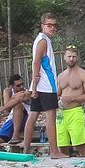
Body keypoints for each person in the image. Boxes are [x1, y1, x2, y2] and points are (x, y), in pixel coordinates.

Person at [22, 13, 65, 157]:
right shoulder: (43, 41)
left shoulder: (42, 39)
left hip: (40, 84)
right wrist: (34, 88)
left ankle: (25, 149)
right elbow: (36, 62)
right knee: (50, 115)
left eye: (54, 25)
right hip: (46, 85)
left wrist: (34, 86)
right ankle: (54, 151)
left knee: (33, 114)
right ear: (43, 26)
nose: (52, 28)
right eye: (49, 25)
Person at [54, 45, 85, 157]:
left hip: (75, 112)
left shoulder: (83, 74)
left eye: (74, 56)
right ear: (64, 57)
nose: (71, 59)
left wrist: (72, 98)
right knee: (62, 145)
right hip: (61, 113)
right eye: (69, 56)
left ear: (77, 58)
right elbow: (57, 94)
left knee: (80, 144)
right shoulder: (60, 76)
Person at [0, 75, 32, 145]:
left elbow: (19, 99)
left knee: (18, 104)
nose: (21, 87)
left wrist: (1, 110)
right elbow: (7, 109)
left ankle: (15, 136)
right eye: (18, 85)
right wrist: (13, 98)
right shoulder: (8, 91)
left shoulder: (26, 92)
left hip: (27, 118)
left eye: (22, 84)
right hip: (12, 119)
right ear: (12, 86)